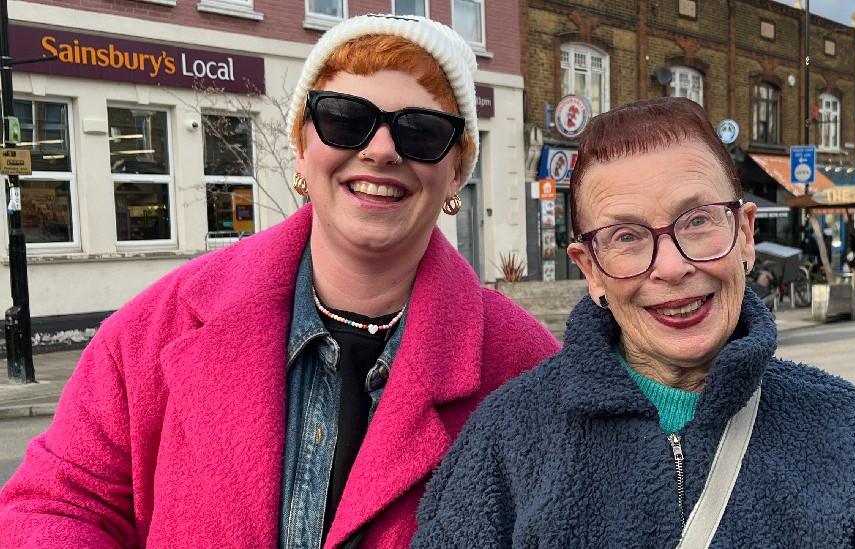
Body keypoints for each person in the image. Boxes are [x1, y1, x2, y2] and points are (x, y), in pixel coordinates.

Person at [0, 15, 559, 548]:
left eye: (423, 131)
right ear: (301, 144)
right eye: (344, 118)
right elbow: (58, 504)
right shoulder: (157, 328)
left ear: (458, 170)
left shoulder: (528, 369)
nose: (382, 150)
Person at [413, 98, 855, 548]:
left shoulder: (846, 430)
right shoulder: (507, 442)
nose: (672, 266)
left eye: (697, 221)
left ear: (744, 234)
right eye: (625, 236)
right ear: (591, 270)